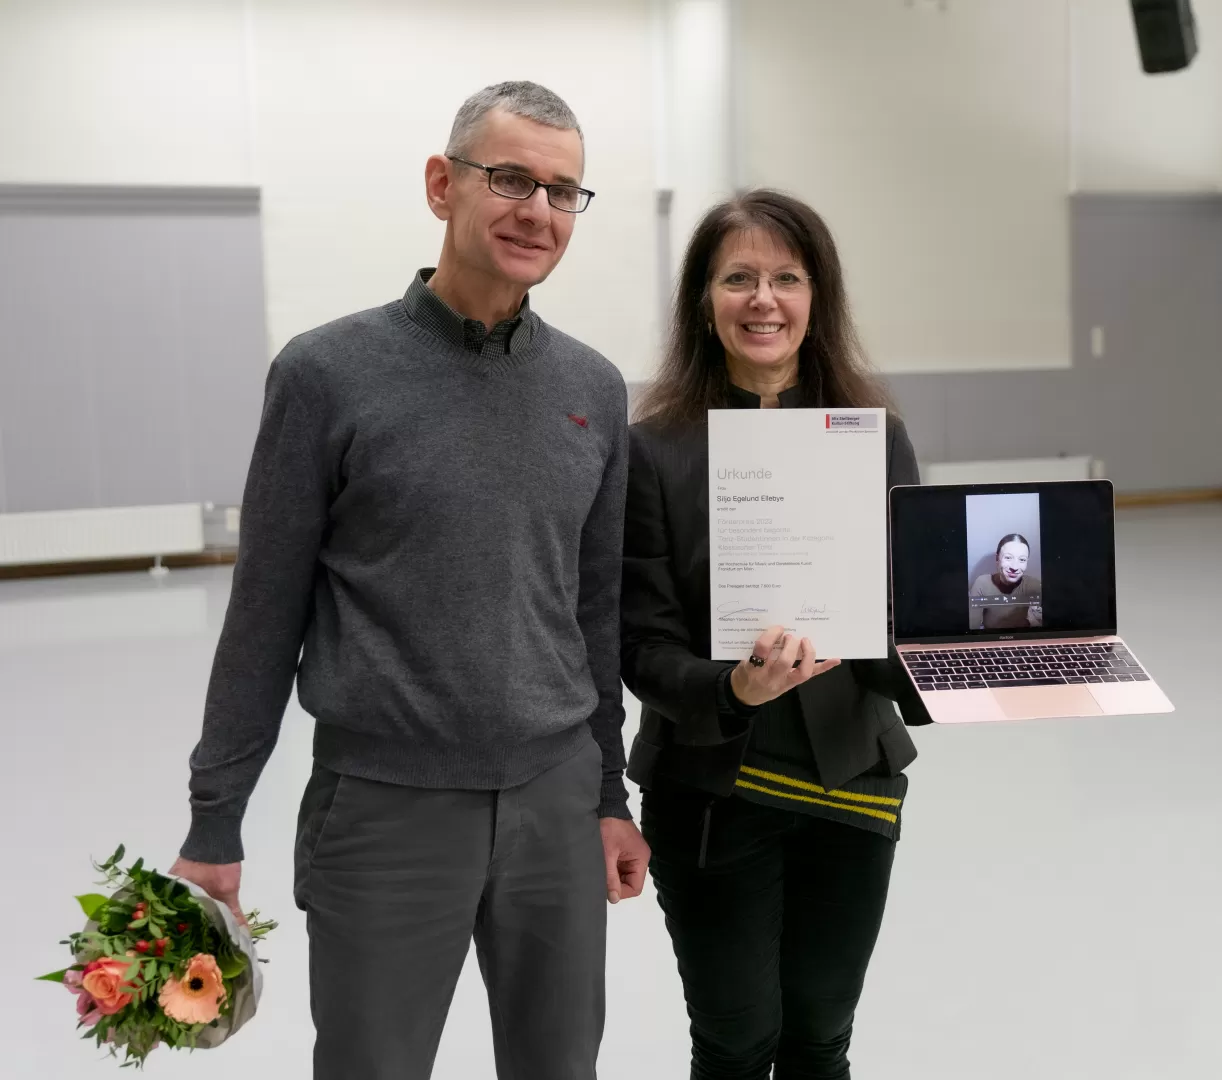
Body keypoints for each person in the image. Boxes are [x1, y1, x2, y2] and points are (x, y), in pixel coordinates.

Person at [168, 81, 650, 1080]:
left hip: (555, 802)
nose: (538, 211)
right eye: (509, 178)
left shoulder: (594, 391)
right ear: (442, 184)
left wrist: (607, 791)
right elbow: (264, 616)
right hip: (384, 808)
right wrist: (216, 816)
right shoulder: (328, 374)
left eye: (563, 191)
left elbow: (592, 614)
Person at [621, 189, 930, 1080]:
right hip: (711, 791)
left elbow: (906, 625)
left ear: (816, 298)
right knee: (735, 1041)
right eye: (738, 279)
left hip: (852, 782)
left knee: (820, 1039)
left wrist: (976, 665)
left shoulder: (877, 439)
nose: (764, 300)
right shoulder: (652, 450)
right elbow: (641, 644)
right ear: (704, 302)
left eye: (787, 278)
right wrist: (732, 688)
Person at [969, 533, 1043, 629]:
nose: (1014, 567)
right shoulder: (982, 584)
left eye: (1022, 559)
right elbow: (972, 626)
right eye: (1008, 558)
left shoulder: (1033, 585)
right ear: (997, 559)